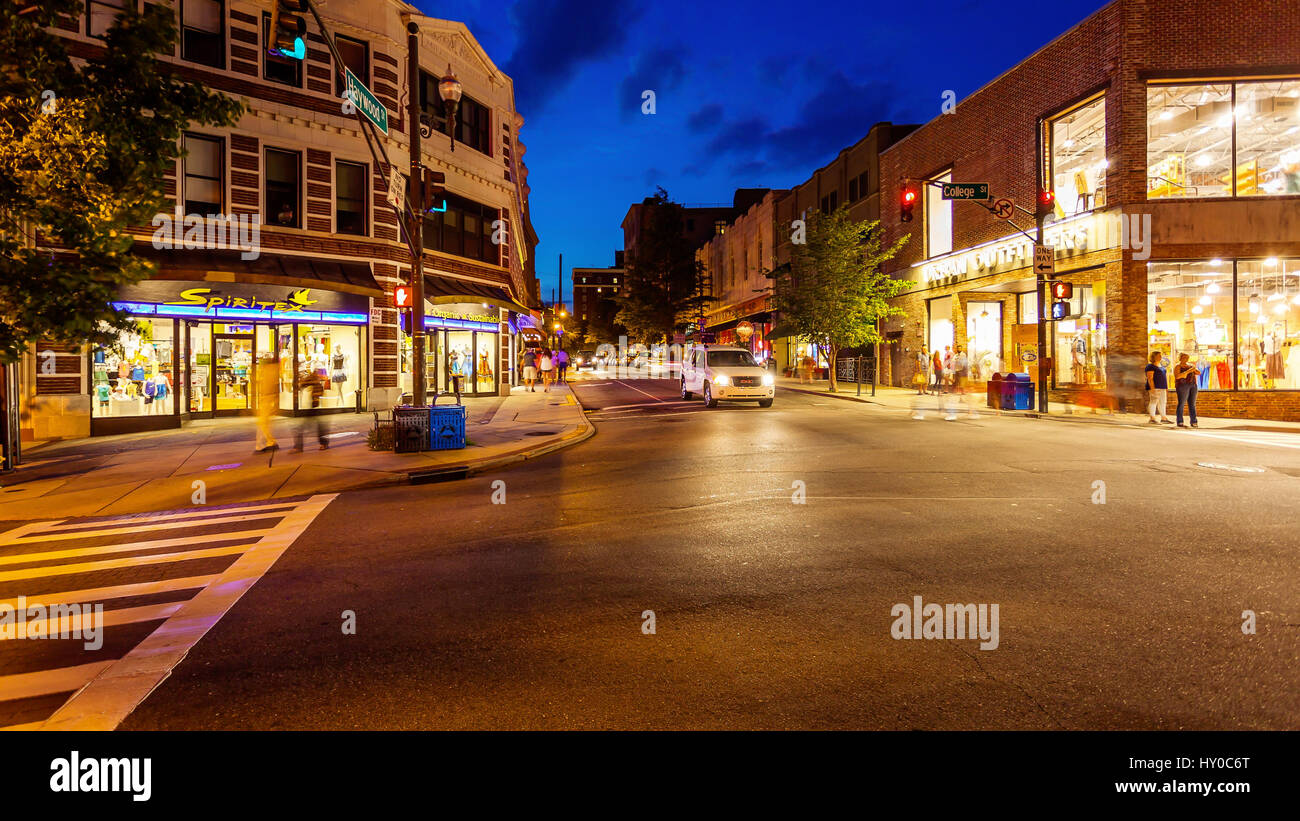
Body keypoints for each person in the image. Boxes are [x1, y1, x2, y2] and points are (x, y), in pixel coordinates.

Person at [294, 368, 329, 450]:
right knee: (319, 427)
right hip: (313, 408)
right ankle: (323, 443)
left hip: (314, 408)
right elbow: (304, 384)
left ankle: (299, 446)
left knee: (304, 427)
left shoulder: (315, 382)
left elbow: (303, 384)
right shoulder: (315, 382)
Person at [254, 354, 279, 453]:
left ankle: (264, 443)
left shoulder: (269, 371)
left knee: (263, 422)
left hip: (267, 399)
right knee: (263, 423)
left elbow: (273, 388)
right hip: (267, 399)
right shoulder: (270, 371)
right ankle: (269, 442)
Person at [1145, 351, 1174, 425]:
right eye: (1159, 356)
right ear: (1154, 357)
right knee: (1153, 402)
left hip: (1162, 387)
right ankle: (1152, 418)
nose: (1161, 357)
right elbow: (1150, 378)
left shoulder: (1162, 367)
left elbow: (1164, 378)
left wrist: (1166, 388)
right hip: (1155, 387)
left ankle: (1163, 418)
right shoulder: (1150, 366)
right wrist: (1152, 388)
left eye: (1161, 356)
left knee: (1163, 402)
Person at [1173, 352, 1199, 428]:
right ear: (1180, 358)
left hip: (1193, 385)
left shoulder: (1190, 365)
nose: (1186, 359)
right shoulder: (1178, 366)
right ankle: (1180, 421)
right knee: (1182, 403)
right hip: (1182, 385)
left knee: (1192, 404)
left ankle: (1194, 421)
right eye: (1184, 357)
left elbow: (1198, 373)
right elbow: (1178, 376)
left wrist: (1194, 370)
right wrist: (1188, 371)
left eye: (1187, 357)